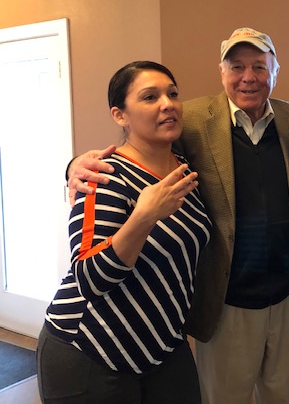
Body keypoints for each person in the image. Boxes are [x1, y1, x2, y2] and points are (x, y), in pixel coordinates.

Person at [66, 28, 289, 404]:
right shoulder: (192, 119)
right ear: (222, 72)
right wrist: (75, 165)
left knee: (283, 397)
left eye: (259, 66)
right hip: (228, 298)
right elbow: (139, 140)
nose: (248, 77)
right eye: (236, 66)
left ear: (275, 71)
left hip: (288, 293)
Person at [37, 61, 212, 404]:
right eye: (150, 97)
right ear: (120, 115)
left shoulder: (184, 168)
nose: (167, 104)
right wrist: (144, 217)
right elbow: (90, 278)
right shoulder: (103, 176)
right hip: (90, 349)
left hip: (162, 347)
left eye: (172, 94)